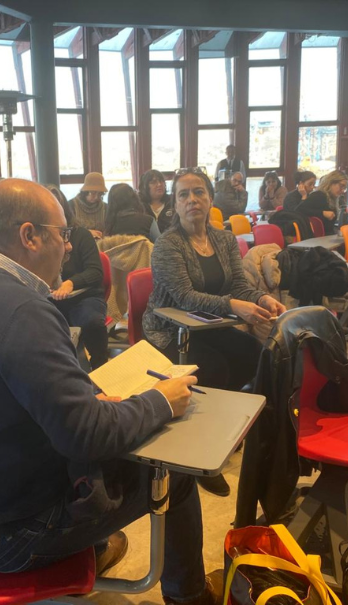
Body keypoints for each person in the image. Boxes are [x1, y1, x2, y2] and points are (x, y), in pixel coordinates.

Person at [0, 179, 223, 605]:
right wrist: (161, 401)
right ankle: (191, 598)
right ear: (29, 236)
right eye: (63, 233)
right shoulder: (21, 309)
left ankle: (93, 546)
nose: (69, 246)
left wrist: (88, 404)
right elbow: (86, 436)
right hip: (9, 535)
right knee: (176, 475)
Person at [142, 167, 286, 496]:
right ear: (175, 205)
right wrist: (233, 305)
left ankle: (215, 422)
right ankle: (198, 453)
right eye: (183, 194)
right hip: (169, 330)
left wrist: (261, 297)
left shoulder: (223, 239)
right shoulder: (167, 245)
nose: (192, 199)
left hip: (209, 326)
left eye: (199, 192)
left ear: (210, 198)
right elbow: (185, 297)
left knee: (254, 354)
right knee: (214, 369)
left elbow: (239, 285)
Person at [47, 185, 109, 369]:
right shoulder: (38, 239)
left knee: (92, 322)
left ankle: (100, 367)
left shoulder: (80, 235)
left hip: (84, 296)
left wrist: (71, 283)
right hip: (50, 298)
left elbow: (95, 272)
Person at [297, 170, 348, 235]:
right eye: (341, 186)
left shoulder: (334, 198)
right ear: (331, 182)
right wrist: (322, 213)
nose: (343, 190)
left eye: (344, 188)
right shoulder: (319, 195)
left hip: (328, 236)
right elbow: (299, 210)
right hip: (318, 237)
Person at [70, 172, 108, 239]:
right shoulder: (71, 206)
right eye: (93, 193)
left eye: (100, 194)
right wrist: (87, 233)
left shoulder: (105, 208)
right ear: (85, 192)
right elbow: (68, 230)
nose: (96, 197)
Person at [139, 169, 175, 233]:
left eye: (161, 181)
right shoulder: (139, 205)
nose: (159, 184)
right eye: (153, 182)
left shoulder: (173, 202)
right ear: (145, 186)